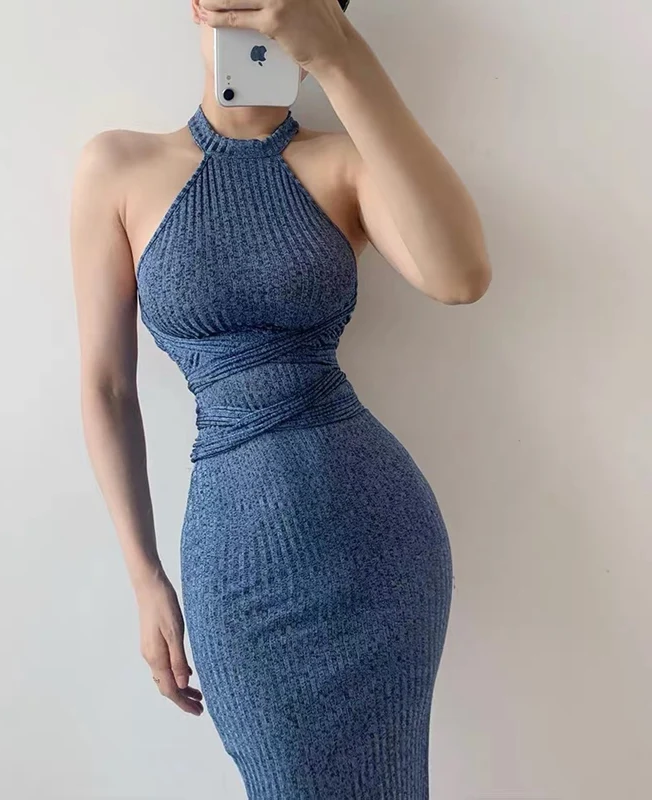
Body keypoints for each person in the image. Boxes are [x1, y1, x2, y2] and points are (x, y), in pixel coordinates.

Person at [70, 0, 491, 796]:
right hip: (236, 567)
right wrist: (143, 576)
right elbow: (106, 387)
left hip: (378, 548)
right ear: (200, 8)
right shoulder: (117, 167)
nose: (259, 30)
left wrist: (342, 58)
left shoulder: (345, 163)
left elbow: (461, 275)